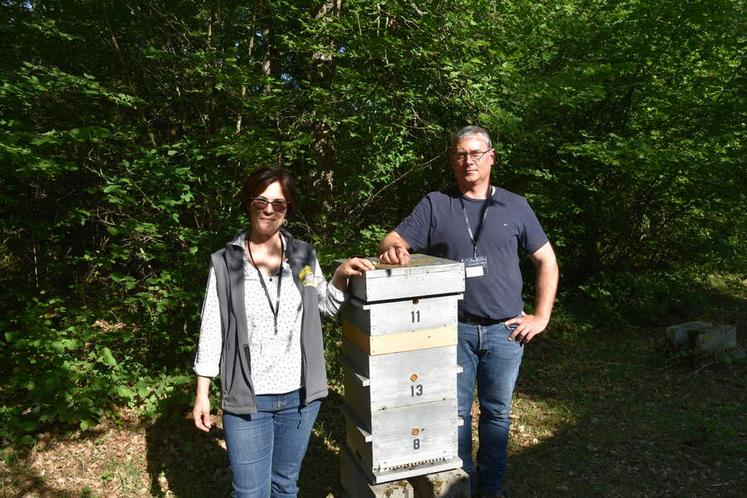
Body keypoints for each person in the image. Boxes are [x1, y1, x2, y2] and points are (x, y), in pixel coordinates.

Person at [377, 126, 559, 497]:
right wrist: (394, 248)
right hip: (451, 330)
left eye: (476, 153)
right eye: (460, 154)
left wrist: (541, 317)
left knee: (496, 415)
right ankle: (460, 488)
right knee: (454, 414)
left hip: (506, 331)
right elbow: (392, 238)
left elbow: (547, 261)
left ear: (491, 157)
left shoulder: (515, 205)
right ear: (452, 160)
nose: (468, 161)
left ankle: (491, 489)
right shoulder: (436, 203)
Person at [192, 167, 374, 498]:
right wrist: (202, 391)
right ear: (249, 203)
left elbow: (325, 304)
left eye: (279, 204)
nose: (269, 210)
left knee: (284, 487)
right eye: (261, 201)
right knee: (249, 493)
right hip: (248, 399)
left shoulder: (302, 256)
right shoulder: (226, 262)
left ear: (287, 209)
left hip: (300, 398)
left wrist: (340, 277)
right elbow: (212, 328)